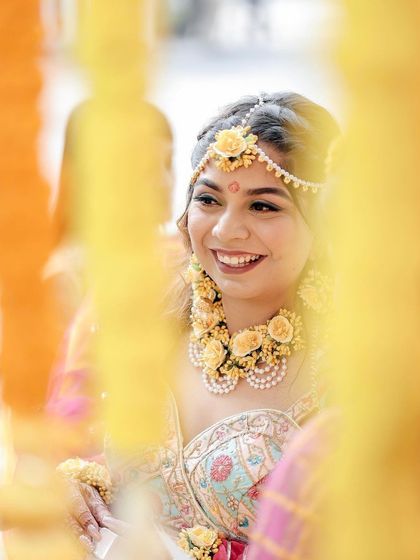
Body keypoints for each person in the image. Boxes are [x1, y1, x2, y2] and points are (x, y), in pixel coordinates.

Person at [58, 92, 339, 559]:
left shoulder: (353, 375)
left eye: (264, 206)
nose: (227, 230)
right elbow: (71, 430)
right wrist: (75, 488)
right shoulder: (145, 320)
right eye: (208, 199)